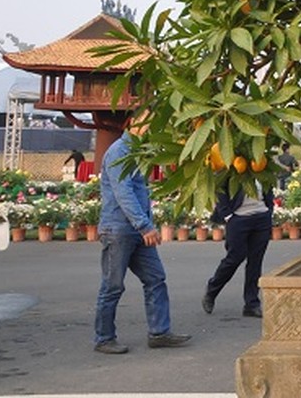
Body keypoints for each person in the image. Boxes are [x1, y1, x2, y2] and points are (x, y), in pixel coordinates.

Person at [93, 124, 191, 354]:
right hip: (119, 230)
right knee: (112, 286)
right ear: (133, 125)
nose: (151, 127)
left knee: (156, 278)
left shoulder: (138, 153)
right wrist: (145, 226)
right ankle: (104, 338)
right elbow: (123, 193)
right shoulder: (119, 151)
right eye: (149, 122)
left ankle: (159, 332)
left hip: (136, 231)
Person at [202, 179, 273, 318]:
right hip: (239, 219)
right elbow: (219, 188)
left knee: (255, 262)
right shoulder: (232, 166)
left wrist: (269, 210)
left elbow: (268, 189)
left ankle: (252, 304)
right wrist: (228, 215)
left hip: (261, 218)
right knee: (234, 258)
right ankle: (212, 291)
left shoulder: (262, 167)